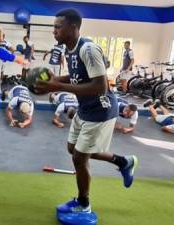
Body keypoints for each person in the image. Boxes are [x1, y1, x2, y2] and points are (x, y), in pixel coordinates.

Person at [33, 9, 138, 214]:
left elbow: (100, 86)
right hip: (85, 109)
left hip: (101, 110)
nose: (54, 31)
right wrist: (54, 80)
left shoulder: (87, 49)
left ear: (73, 27)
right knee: (74, 149)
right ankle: (124, 161)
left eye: (57, 27)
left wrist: (57, 87)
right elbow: (76, 75)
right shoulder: (69, 49)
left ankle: (84, 203)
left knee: (80, 158)